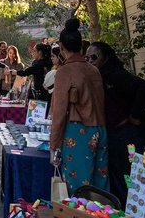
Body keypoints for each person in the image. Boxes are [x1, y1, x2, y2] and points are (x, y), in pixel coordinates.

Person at [86, 41, 145, 206]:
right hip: (112, 134)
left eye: (94, 57)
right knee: (116, 177)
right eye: (87, 58)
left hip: (126, 135)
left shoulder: (116, 75)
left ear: (105, 58)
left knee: (128, 178)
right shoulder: (99, 77)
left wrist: (134, 115)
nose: (90, 61)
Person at [50, 19, 109, 194]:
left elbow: (59, 113)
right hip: (100, 129)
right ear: (81, 46)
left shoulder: (64, 71)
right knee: (100, 185)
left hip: (78, 131)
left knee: (78, 186)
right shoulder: (93, 69)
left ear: (61, 47)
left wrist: (54, 146)